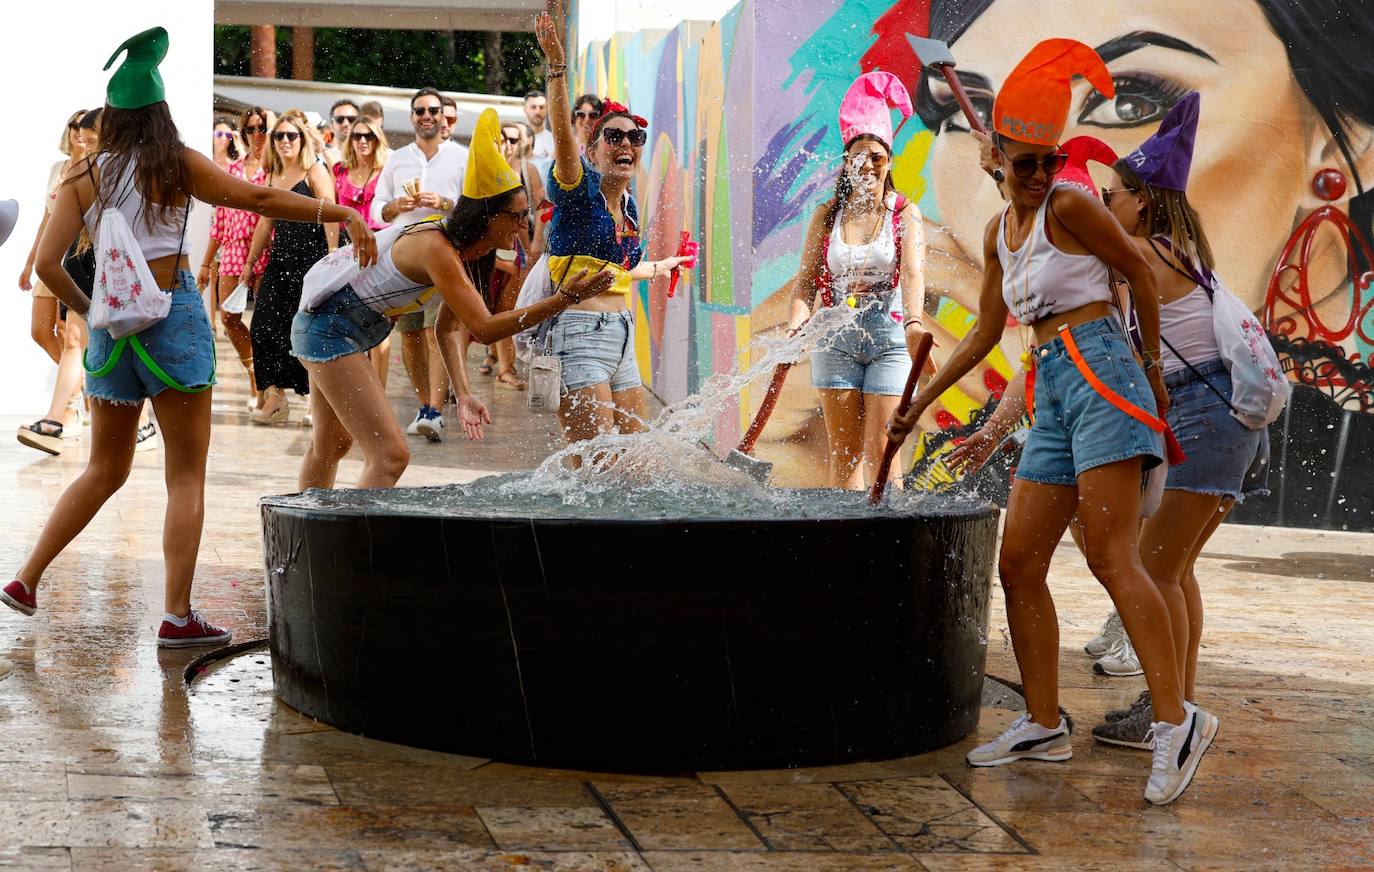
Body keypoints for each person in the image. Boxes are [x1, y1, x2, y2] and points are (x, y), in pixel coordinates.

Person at [886, 39, 1216, 806]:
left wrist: (1156, 377)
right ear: (995, 153)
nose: (1039, 174)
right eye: (1024, 161)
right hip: (1053, 388)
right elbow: (981, 334)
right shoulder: (1003, 235)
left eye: (1047, 159)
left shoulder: (1069, 203)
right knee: (1020, 561)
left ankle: (1177, 722)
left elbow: (1136, 268)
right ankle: (1042, 722)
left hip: (1102, 372)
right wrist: (920, 403)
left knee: (1110, 555)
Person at [0, 26, 376, 648]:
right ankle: (176, 615)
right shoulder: (178, 164)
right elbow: (257, 196)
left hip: (113, 335)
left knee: (102, 468)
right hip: (172, 321)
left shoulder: (81, 175)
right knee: (184, 477)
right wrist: (335, 211)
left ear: (112, 117)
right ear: (161, 112)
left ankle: (25, 579)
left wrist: (93, 306)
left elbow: (45, 265)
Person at [293, 108, 614, 489]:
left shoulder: (469, 254)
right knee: (390, 456)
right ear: (486, 216)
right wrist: (562, 299)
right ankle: (352, 546)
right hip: (328, 329)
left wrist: (462, 394)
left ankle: (313, 537)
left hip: (337, 326)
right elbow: (486, 328)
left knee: (331, 443)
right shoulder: (436, 248)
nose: (523, 224)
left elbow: (448, 330)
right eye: (515, 215)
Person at [535, 1, 694, 447]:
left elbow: (621, 271)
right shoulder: (576, 185)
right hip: (579, 336)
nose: (626, 143)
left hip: (623, 337)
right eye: (614, 136)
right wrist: (558, 68)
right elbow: (564, 138)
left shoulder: (627, 204)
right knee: (596, 466)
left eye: (634, 137)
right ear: (593, 149)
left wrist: (662, 266)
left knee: (636, 463)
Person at [786, 72, 930, 490]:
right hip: (835, 340)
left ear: (889, 163)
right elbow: (805, 284)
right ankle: (846, 547)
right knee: (844, 458)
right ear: (846, 162)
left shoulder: (904, 213)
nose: (867, 165)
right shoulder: (827, 215)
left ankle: (893, 549)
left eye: (877, 157)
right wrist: (796, 325)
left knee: (884, 457)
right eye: (858, 157)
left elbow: (914, 274)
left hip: (890, 339)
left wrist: (914, 323)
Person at [372, 87, 468, 441]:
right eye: (419, 111)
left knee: (435, 332)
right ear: (412, 117)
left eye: (432, 110)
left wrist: (445, 202)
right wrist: (395, 207)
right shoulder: (397, 159)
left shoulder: (461, 157)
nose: (426, 116)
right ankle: (424, 404)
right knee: (409, 334)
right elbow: (376, 207)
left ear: (444, 116)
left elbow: (475, 208)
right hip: (404, 256)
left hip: (445, 254)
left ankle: (437, 411)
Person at [243, 113, 339, 425]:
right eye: (279, 136)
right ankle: (276, 397)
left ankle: (316, 400)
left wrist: (334, 256)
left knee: (308, 331)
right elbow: (264, 221)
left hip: (314, 259)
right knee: (263, 326)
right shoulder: (272, 174)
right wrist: (249, 263)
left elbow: (330, 211)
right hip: (282, 259)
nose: (285, 141)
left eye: (292, 136)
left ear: (302, 139)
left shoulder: (314, 170)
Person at [16, 110, 88, 454]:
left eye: (85, 126)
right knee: (41, 331)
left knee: (73, 337)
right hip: (50, 259)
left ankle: (65, 410)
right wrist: (30, 263)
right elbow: (46, 219)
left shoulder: (94, 169)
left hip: (76, 259)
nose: (78, 131)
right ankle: (79, 388)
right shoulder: (57, 171)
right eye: (74, 125)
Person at [199, 106, 271, 413]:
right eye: (250, 130)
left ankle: (271, 387)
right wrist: (204, 263)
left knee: (266, 321)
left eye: (262, 129)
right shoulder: (233, 170)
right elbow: (220, 220)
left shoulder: (274, 170)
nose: (256, 135)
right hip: (232, 248)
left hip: (267, 248)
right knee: (229, 317)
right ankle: (255, 374)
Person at [525, 90, 554, 176]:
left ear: (547, 109)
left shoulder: (555, 141)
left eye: (541, 107)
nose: (537, 112)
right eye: (533, 107)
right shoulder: (515, 140)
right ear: (525, 109)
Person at [324, 98, 359, 170]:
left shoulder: (371, 156)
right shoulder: (322, 158)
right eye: (339, 120)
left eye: (351, 119)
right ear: (331, 127)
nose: (346, 124)